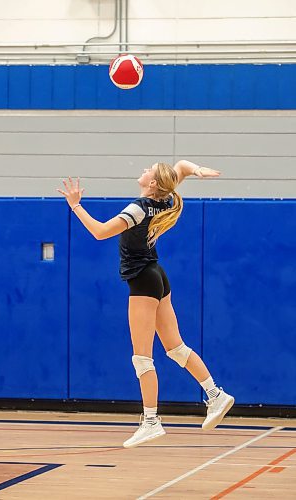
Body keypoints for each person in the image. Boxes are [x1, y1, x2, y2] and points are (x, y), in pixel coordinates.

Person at [57, 160, 234, 448]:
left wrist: (75, 205)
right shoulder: (166, 199)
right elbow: (181, 167)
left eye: (148, 169)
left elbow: (100, 232)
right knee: (176, 348)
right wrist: (197, 171)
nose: (144, 169)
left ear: (152, 183)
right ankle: (215, 394)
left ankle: (151, 421)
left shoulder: (139, 208)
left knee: (142, 357)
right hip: (158, 277)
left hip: (142, 280)